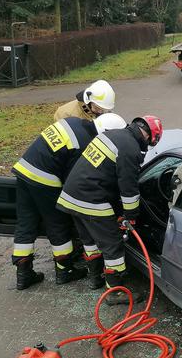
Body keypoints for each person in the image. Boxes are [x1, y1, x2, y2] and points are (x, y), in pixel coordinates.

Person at [12, 113, 127, 290]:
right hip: (45, 180)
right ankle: (64, 271)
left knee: (26, 223)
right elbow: (75, 179)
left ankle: (23, 274)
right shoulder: (85, 143)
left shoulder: (73, 121)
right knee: (58, 224)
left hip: (24, 170)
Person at [56, 115, 163, 305]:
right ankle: (115, 291)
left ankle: (95, 277)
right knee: (113, 244)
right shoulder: (130, 149)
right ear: (150, 137)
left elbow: (105, 172)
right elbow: (128, 190)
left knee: (89, 240)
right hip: (92, 200)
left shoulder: (113, 135)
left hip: (72, 196)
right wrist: (130, 217)